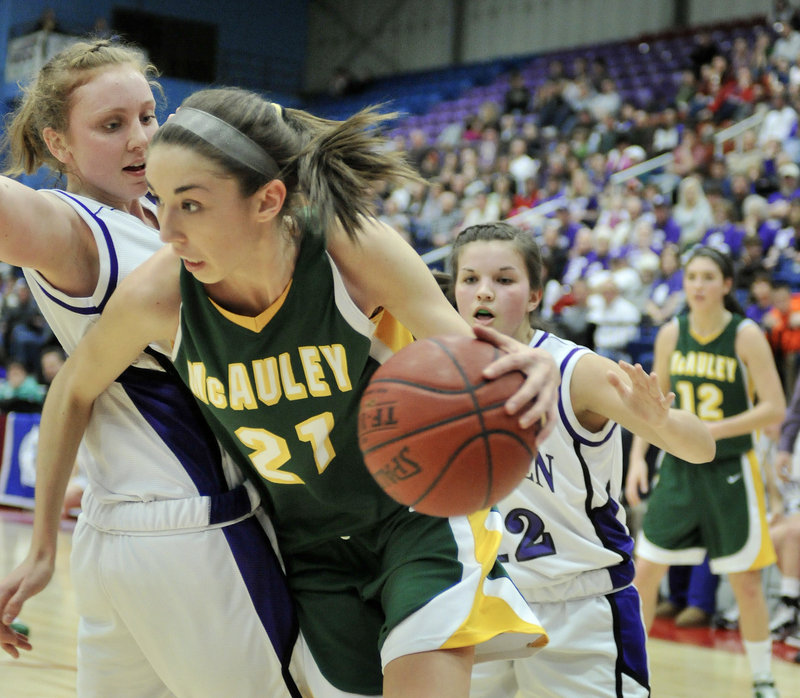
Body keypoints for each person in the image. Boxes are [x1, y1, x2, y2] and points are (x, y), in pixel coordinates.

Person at [20, 87, 562, 697]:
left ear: (268, 200)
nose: (166, 230)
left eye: (191, 205)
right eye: (162, 201)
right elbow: (70, 391)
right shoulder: (160, 296)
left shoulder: (346, 247)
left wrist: (526, 364)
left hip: (416, 516)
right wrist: (42, 546)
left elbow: (461, 343)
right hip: (309, 550)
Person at [0, 40, 306, 698]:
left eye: (147, 115)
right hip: (198, 535)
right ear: (58, 143)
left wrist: (46, 544)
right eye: (111, 126)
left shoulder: (164, 217)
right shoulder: (75, 229)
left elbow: (70, 395)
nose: (140, 138)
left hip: (115, 539)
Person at [447, 222, 715, 698]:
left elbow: (701, 447)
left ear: (534, 295)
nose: (484, 292)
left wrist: (662, 421)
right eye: (470, 279)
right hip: (480, 600)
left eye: (504, 280)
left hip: (578, 604)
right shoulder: (430, 374)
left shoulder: (576, 372)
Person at [625, 246, 787, 698]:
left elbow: (774, 407)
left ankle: (762, 679)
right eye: (691, 276)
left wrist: (710, 429)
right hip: (677, 467)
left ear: (726, 285)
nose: (696, 284)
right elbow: (648, 407)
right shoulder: (670, 335)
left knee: (747, 583)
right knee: (645, 574)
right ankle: (633, 675)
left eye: (707, 277)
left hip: (731, 468)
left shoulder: (745, 334)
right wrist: (639, 458)